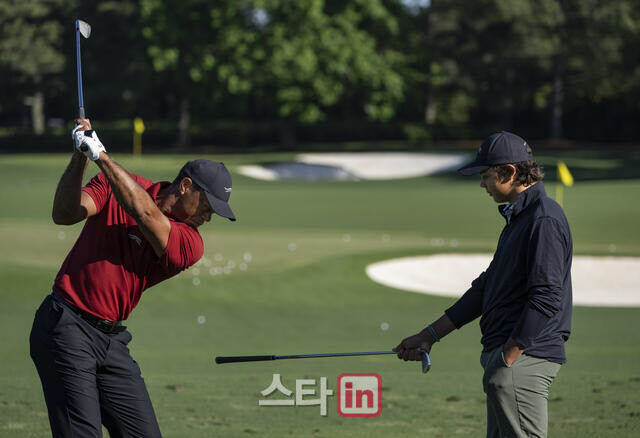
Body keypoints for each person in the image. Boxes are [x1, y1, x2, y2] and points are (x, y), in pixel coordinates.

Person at [29, 118, 236, 437]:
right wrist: (81, 156)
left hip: (110, 341)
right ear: (185, 187)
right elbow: (65, 214)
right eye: (208, 206)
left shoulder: (190, 243)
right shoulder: (117, 184)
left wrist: (100, 155)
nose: (208, 217)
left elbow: (146, 215)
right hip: (65, 327)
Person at [394, 131, 572, 438]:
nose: (482, 184)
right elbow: (485, 289)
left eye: (486, 175)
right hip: (509, 361)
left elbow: (546, 297)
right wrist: (429, 336)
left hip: (523, 360)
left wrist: (508, 358)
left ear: (510, 172)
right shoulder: (519, 219)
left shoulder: (543, 220)